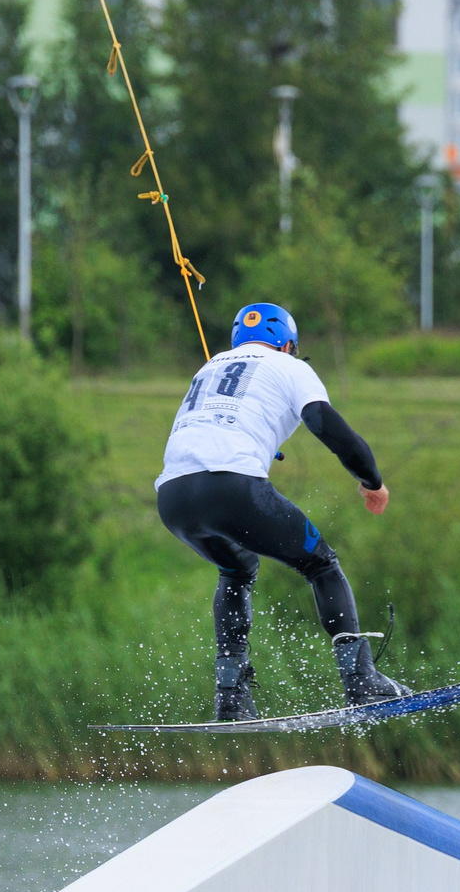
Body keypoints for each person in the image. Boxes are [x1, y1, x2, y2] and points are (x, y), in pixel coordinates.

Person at [156, 302, 410, 721]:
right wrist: (371, 480)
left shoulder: (209, 367)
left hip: (174, 497)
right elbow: (329, 426)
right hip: (231, 488)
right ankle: (361, 681)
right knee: (321, 564)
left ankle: (230, 696)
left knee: (237, 569)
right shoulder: (289, 366)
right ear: (288, 344)